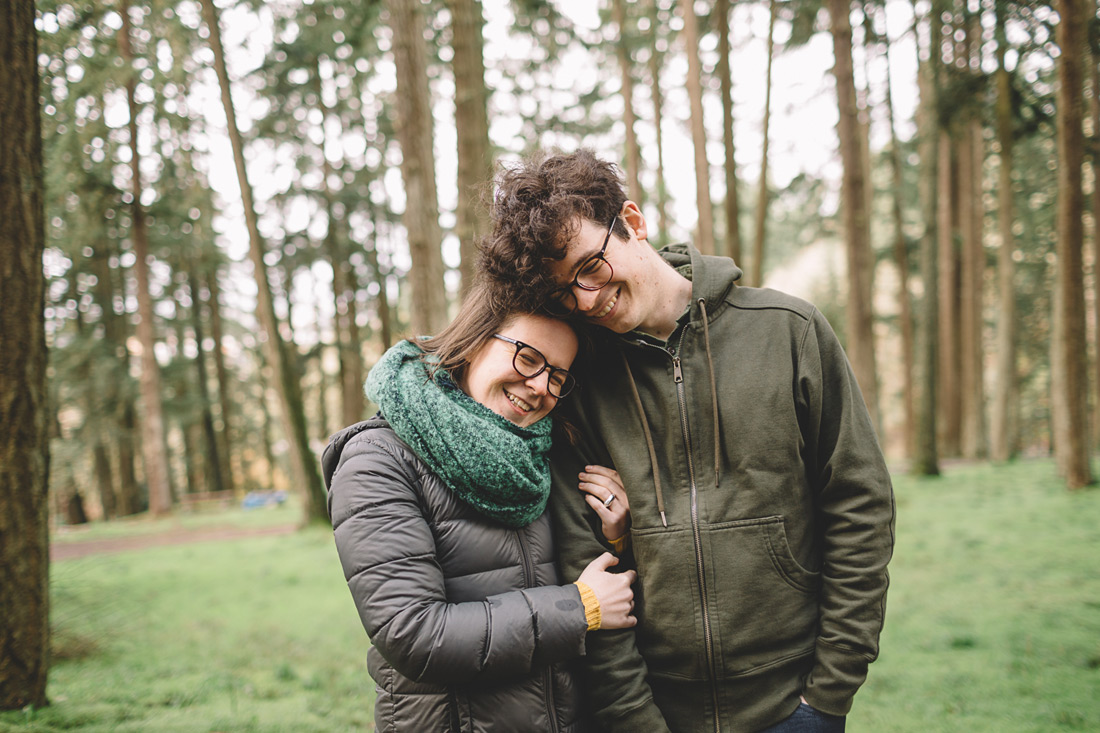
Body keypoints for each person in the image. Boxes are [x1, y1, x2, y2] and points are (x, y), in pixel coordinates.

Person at [478, 149, 896, 733]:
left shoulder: (788, 331)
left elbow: (860, 507)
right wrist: (632, 716)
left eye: (590, 267)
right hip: (653, 709)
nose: (587, 300)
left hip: (794, 703)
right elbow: (583, 562)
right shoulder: (581, 382)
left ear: (633, 222)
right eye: (565, 293)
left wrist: (828, 693)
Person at [322, 283, 637, 732]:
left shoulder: (541, 456)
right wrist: (578, 608)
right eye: (528, 358)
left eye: (557, 377)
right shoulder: (377, 460)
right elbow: (414, 634)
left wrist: (613, 537)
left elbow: (591, 591)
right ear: (474, 340)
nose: (539, 388)